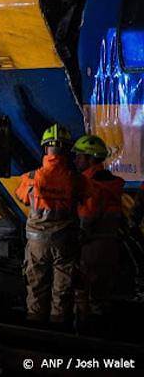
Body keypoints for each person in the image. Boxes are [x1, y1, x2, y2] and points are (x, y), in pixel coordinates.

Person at [15, 124, 88, 329]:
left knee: (36, 286)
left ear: (46, 149)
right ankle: (58, 330)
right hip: (65, 242)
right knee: (62, 288)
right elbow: (85, 199)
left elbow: (23, 198)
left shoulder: (30, 178)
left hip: (37, 243)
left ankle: (36, 330)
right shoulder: (76, 180)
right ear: (66, 150)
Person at [73, 134, 125, 331]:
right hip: (111, 247)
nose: (76, 160)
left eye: (79, 156)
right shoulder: (114, 184)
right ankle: (104, 339)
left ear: (90, 158)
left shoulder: (90, 186)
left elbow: (86, 220)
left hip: (90, 248)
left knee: (82, 294)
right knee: (102, 297)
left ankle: (84, 342)